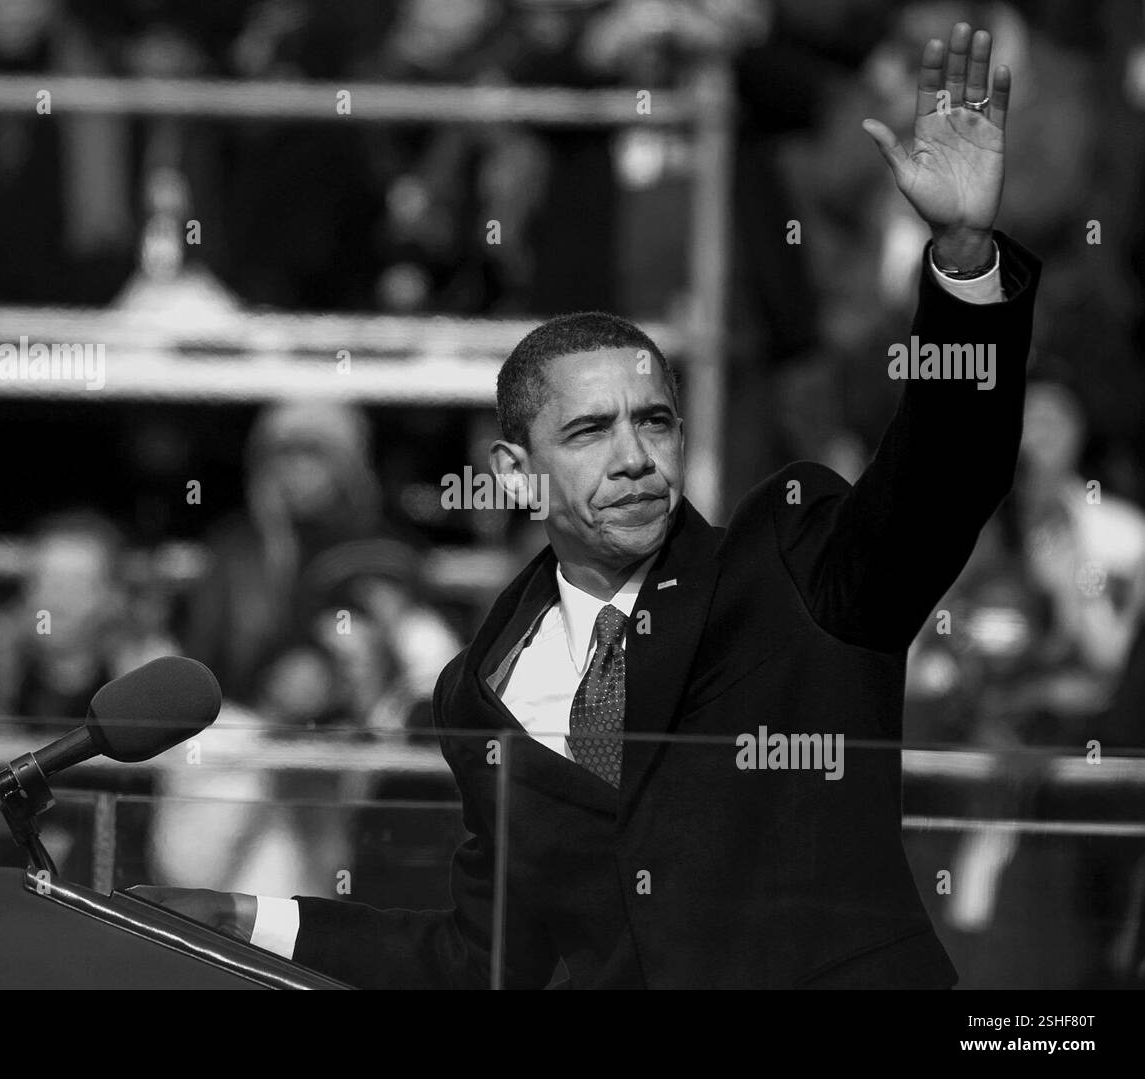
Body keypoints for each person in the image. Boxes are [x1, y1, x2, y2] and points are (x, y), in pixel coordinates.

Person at [135, 23, 1042, 988]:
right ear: (516, 472)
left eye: (654, 421)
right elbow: (478, 958)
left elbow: (947, 475)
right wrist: (252, 917)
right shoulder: (480, 686)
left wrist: (962, 262)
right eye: (588, 432)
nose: (634, 458)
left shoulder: (790, 564)